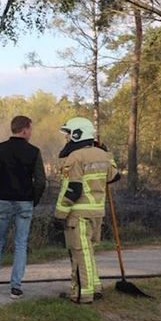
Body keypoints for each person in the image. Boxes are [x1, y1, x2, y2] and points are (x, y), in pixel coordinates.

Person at [0, 115, 47, 299]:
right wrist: (33, 200)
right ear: (24, 129)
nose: (31, 133)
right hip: (25, 202)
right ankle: (15, 287)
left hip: (3, 201)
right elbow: (40, 181)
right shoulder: (34, 152)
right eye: (30, 129)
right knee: (21, 243)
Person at [54, 117, 120, 304]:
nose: (66, 139)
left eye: (68, 135)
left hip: (78, 215)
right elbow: (114, 176)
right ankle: (95, 287)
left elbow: (73, 190)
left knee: (80, 253)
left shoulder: (75, 157)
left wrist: (59, 214)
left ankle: (84, 294)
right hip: (97, 213)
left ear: (77, 134)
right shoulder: (104, 155)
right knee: (88, 252)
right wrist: (108, 154)